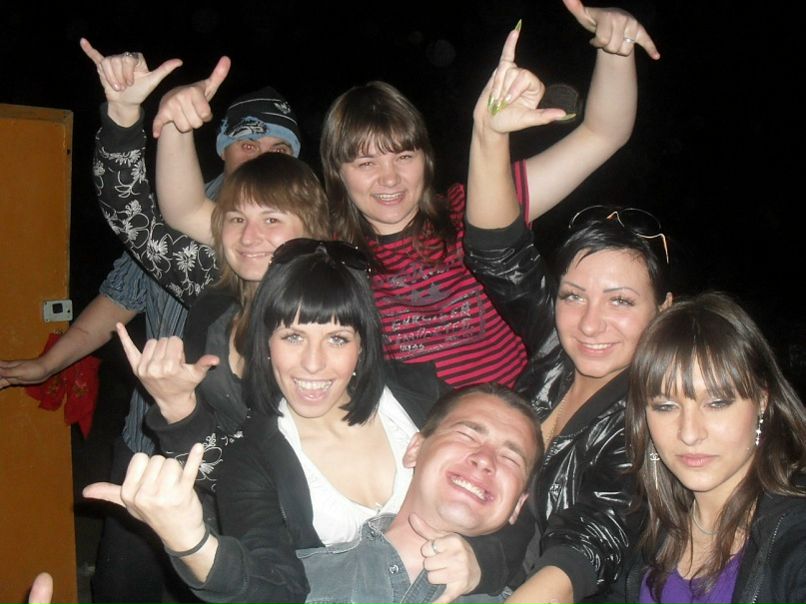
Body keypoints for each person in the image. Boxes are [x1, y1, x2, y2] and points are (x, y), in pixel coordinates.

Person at [147, 1, 645, 393]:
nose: (389, 179)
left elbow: (604, 133)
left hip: (523, 417)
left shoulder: (478, 206)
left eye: (403, 156)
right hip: (420, 449)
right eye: (365, 163)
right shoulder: (327, 244)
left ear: (426, 159)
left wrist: (615, 48)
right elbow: (185, 210)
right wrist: (174, 121)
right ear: (338, 174)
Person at [98, 239, 530, 603]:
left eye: (337, 339)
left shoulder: (424, 398)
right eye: (293, 336)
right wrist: (191, 543)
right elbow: (275, 588)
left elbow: (522, 499)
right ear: (266, 344)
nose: (313, 363)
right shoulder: (252, 458)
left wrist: (483, 563)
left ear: (362, 345)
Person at [463, 4, 665, 601]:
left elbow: (593, 538)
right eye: (574, 295)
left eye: (621, 301)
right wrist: (489, 134)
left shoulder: (658, 411)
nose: (591, 322)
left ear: (664, 309)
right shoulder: (557, 344)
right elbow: (497, 252)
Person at [85, 381, 543, 604]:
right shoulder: (305, 584)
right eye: (467, 434)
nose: (485, 459)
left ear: (517, 506)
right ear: (415, 448)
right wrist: (191, 542)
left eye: (511, 458)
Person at [605, 292, 806, 603]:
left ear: (762, 401)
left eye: (717, 403)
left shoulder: (794, 530)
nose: (689, 433)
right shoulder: (644, 531)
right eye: (666, 406)